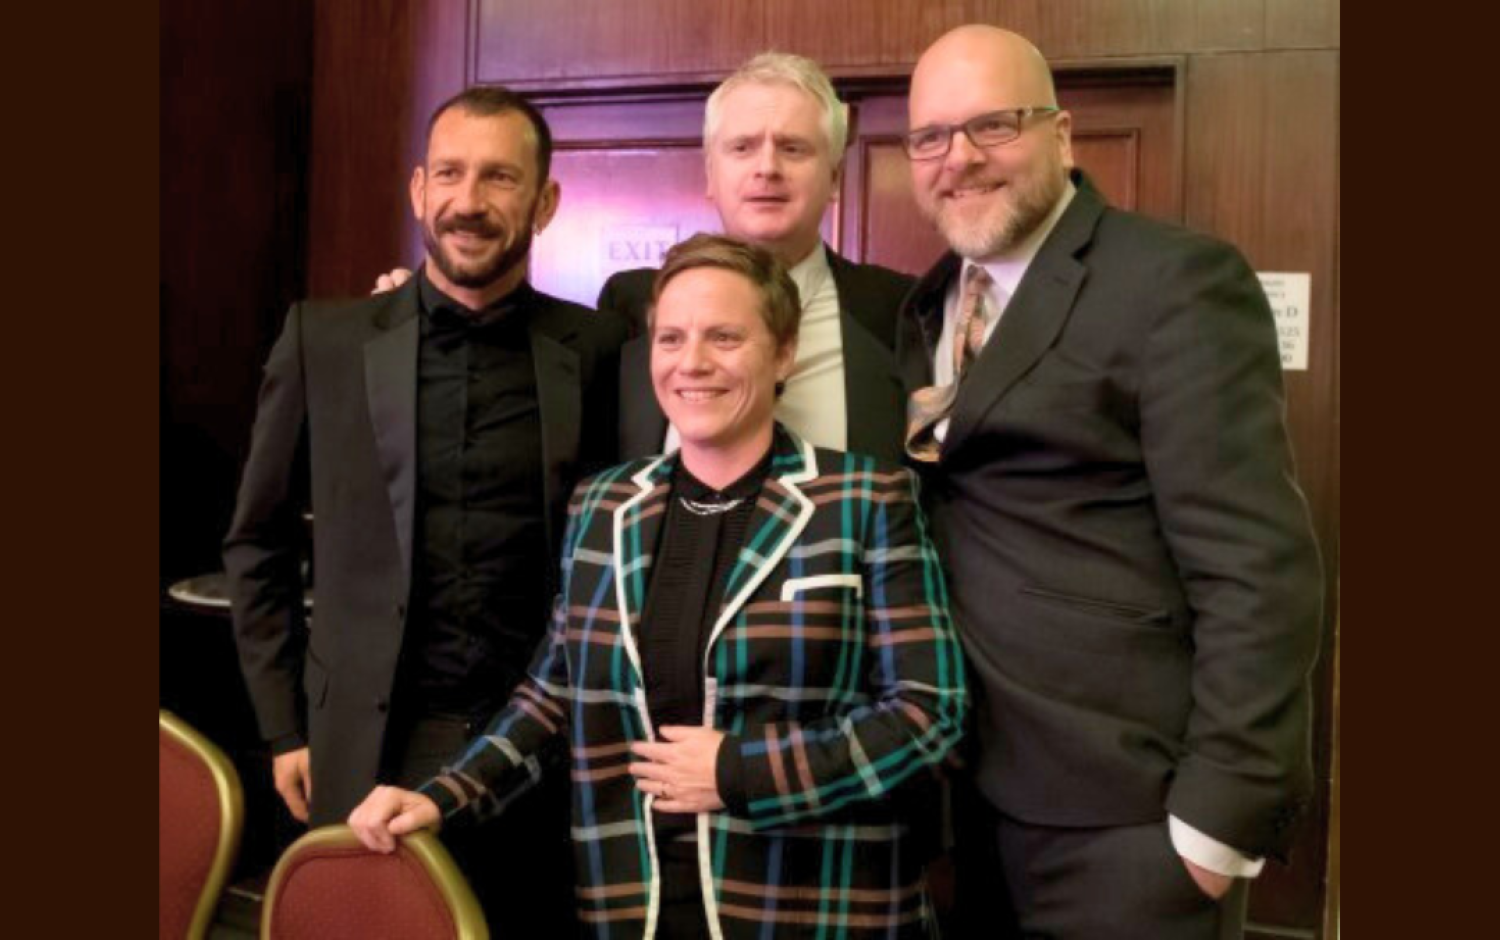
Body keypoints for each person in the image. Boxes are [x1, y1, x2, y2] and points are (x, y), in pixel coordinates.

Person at [349, 234, 968, 939]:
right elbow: (554, 696)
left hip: (813, 908)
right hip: (631, 906)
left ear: (783, 354)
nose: (692, 362)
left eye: (725, 337)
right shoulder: (603, 504)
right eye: (671, 338)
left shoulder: (866, 498)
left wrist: (740, 771)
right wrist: (443, 798)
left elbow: (931, 714)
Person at [895, 25, 1324, 940]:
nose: (958, 158)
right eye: (930, 137)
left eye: (992, 125)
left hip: (1128, 819)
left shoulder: (1173, 282)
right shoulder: (931, 300)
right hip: (969, 803)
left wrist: (1217, 822)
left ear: (1061, 135)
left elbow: (1257, 569)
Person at [222, 85, 624, 934]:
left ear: (546, 202)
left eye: (500, 178)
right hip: (361, 744)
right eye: (449, 173)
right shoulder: (323, 339)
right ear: (418, 189)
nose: (468, 201)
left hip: (539, 749)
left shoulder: (597, 349)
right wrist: (284, 728)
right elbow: (256, 542)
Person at [604, 52, 915, 462]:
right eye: (742, 147)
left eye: (793, 148)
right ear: (711, 175)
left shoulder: (904, 312)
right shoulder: (630, 306)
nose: (767, 167)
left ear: (834, 178)